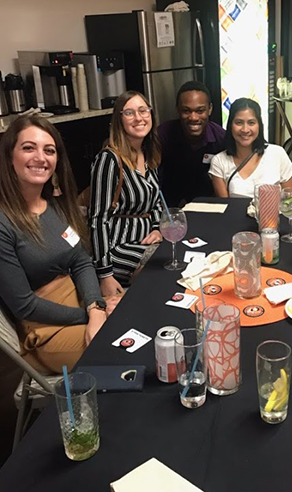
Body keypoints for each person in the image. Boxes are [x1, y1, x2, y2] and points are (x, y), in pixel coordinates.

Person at [0, 114, 112, 374]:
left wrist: (96, 306)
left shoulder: (54, 207)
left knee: (142, 315)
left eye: (49, 150)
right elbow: (24, 305)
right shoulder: (4, 222)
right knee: (122, 348)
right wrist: (92, 314)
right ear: (9, 156)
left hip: (80, 302)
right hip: (44, 328)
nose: (41, 157)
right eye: (29, 148)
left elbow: (81, 261)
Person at [89, 90, 162, 296]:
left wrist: (157, 229)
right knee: (165, 262)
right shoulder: (109, 160)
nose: (138, 118)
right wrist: (105, 274)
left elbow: (155, 201)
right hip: (116, 248)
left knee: (178, 252)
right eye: (129, 113)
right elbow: (97, 219)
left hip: (144, 241)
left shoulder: (148, 155)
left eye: (143, 111)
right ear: (119, 120)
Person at [209, 97, 292, 198]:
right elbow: (225, 206)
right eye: (239, 123)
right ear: (230, 125)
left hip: (274, 213)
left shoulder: (277, 153)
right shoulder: (219, 162)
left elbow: (290, 200)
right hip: (235, 214)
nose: (245, 129)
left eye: (251, 123)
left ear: (259, 125)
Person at [158, 81, 226, 206]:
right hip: (169, 208)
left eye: (200, 111)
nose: (193, 117)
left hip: (208, 207)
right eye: (186, 111)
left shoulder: (221, 138)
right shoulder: (163, 134)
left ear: (210, 109)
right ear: (177, 110)